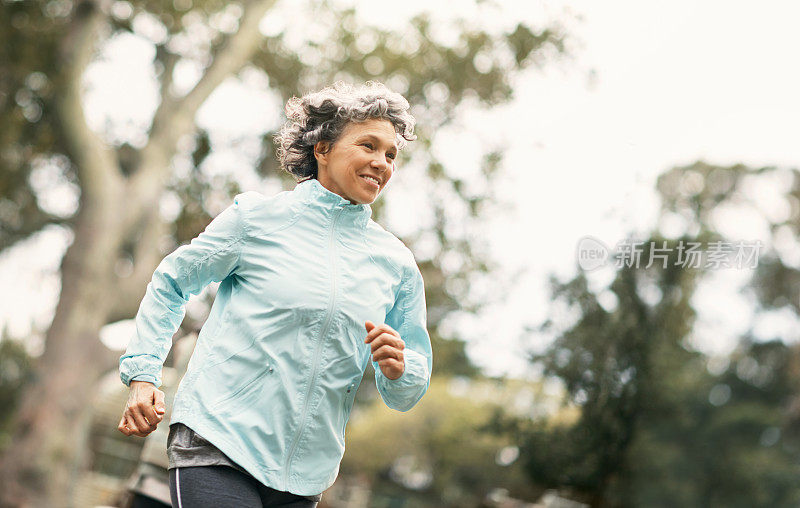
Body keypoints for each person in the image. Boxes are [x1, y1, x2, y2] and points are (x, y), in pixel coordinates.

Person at [117, 81, 433, 508]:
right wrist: (142, 373)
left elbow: (409, 386)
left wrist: (399, 368)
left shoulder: (395, 263)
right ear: (322, 148)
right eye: (368, 146)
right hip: (217, 441)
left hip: (305, 475)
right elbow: (172, 281)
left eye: (391, 154)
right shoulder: (257, 220)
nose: (382, 162)